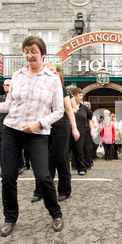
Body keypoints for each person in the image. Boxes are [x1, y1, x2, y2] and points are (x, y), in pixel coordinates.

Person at [0, 36, 64, 236]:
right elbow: (9, 105)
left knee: (43, 176)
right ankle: (10, 217)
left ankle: (56, 213)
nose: (29, 55)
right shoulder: (17, 76)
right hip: (11, 130)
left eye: (34, 51)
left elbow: (58, 110)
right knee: (8, 176)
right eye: (26, 51)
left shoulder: (52, 80)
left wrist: (38, 123)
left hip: (37, 133)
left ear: (42, 54)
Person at [31, 63, 80, 203]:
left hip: (59, 126)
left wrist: (74, 128)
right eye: (48, 69)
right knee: (43, 160)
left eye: (53, 70)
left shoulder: (61, 89)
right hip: (43, 125)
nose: (51, 72)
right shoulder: (39, 88)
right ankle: (40, 190)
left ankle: (64, 190)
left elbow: (69, 110)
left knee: (60, 158)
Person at [0, 79, 25, 175]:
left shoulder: (18, 98)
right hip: (2, 127)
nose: (6, 86)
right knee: (2, 150)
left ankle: (20, 165)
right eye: (4, 85)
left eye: (8, 85)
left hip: (15, 126)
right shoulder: (0, 98)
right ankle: (4, 169)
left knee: (17, 148)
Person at [71, 87, 93, 175]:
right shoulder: (68, 106)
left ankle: (81, 168)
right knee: (66, 151)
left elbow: (91, 117)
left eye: (81, 95)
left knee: (79, 150)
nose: (81, 97)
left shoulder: (84, 108)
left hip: (80, 132)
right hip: (68, 130)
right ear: (74, 96)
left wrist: (93, 128)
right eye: (79, 95)